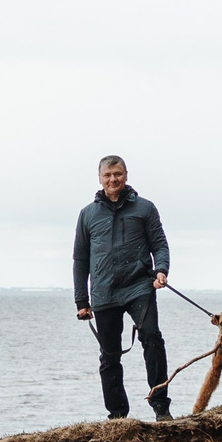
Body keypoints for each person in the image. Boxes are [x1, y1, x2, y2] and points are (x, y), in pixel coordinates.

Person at [73, 155, 173, 420]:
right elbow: (80, 260)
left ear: (126, 175)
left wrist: (161, 270)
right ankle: (117, 416)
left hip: (140, 285)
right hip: (104, 292)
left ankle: (161, 407)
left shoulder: (145, 208)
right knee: (109, 356)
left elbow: (160, 245)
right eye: (107, 175)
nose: (113, 179)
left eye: (117, 174)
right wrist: (81, 301)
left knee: (152, 338)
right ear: (100, 178)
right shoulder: (87, 215)